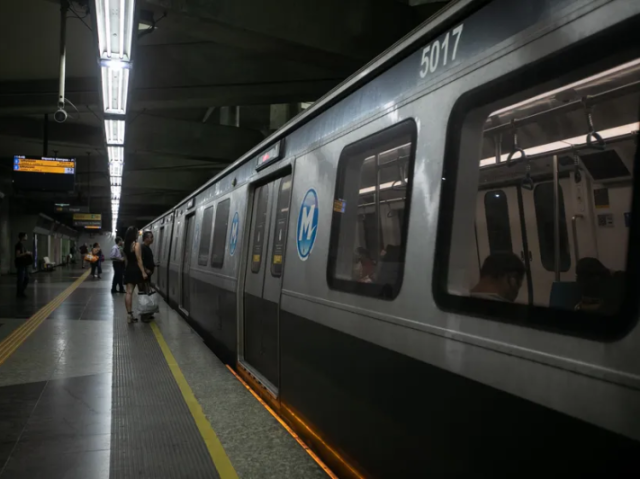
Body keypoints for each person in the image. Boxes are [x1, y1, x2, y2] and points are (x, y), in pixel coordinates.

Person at [123, 226, 147, 324]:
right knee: (143, 292)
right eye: (137, 232)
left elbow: (126, 260)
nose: (138, 234)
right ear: (134, 234)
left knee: (129, 292)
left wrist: (126, 270)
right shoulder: (136, 245)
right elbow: (139, 259)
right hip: (136, 270)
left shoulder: (125, 246)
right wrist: (143, 272)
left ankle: (129, 315)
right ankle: (145, 313)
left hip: (129, 269)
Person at [139, 231, 156, 322]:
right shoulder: (142, 248)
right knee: (144, 295)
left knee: (147, 294)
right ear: (146, 238)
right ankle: (144, 316)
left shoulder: (147, 248)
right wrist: (145, 270)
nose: (152, 239)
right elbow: (140, 261)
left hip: (147, 275)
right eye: (151, 237)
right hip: (144, 276)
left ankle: (148, 313)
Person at [14, 232, 32, 298]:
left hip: (24, 264)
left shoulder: (22, 245)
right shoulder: (18, 245)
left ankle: (21, 292)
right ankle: (19, 293)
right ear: (22, 237)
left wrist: (27, 253)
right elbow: (18, 255)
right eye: (26, 236)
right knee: (21, 279)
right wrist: (26, 253)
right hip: (20, 264)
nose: (27, 237)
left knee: (26, 278)